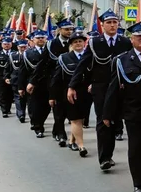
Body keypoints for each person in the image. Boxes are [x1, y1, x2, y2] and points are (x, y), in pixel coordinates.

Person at [104, 20, 141, 192]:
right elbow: (113, 88)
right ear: (132, 39)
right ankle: (138, 183)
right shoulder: (121, 60)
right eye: (138, 36)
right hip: (133, 112)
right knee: (136, 147)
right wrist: (107, 113)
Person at [69, 10, 132, 172]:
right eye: (109, 22)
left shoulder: (125, 42)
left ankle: (110, 154)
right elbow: (83, 64)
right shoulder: (94, 43)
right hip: (101, 87)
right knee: (104, 121)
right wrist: (72, 86)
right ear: (102, 25)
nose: (112, 25)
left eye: (115, 22)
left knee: (117, 121)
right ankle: (104, 158)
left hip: (121, 87)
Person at [50, 29, 90, 157]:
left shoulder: (90, 57)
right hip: (70, 92)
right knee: (75, 119)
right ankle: (81, 146)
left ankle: (72, 140)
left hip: (86, 93)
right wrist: (53, 96)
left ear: (84, 43)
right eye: (75, 42)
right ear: (71, 44)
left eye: (80, 41)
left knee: (81, 118)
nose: (78, 44)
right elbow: (56, 78)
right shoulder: (64, 58)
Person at [23, 31, 52, 138]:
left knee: (47, 107)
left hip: (48, 83)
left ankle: (40, 122)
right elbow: (23, 71)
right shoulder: (28, 53)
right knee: (35, 107)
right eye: (38, 38)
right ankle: (38, 127)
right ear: (33, 40)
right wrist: (21, 87)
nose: (40, 39)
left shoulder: (50, 51)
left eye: (42, 38)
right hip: (34, 84)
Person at [11, 39, 28, 122]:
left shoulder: (29, 55)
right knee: (18, 98)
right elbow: (8, 68)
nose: (23, 48)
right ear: (18, 47)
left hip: (27, 81)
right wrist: (7, 77)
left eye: (24, 47)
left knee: (26, 99)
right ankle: (21, 114)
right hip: (16, 80)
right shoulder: (13, 55)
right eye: (21, 47)